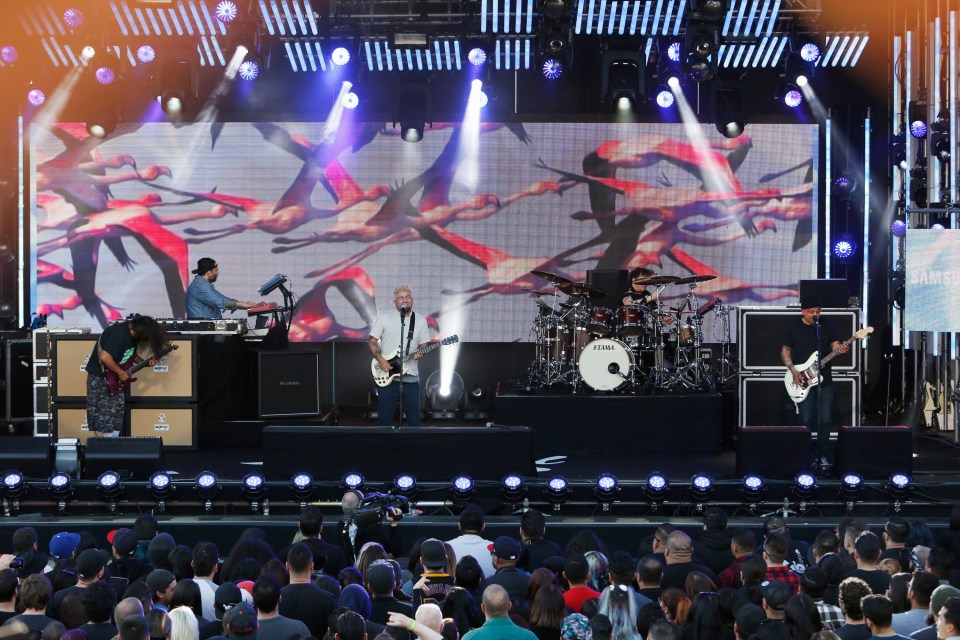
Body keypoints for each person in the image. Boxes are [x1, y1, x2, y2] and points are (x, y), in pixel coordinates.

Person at [781, 295, 849, 469]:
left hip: (824, 380)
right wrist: (793, 371)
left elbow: (836, 347)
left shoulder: (827, 324)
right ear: (803, 311)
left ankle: (823, 455)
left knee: (825, 420)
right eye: (811, 312)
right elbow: (785, 351)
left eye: (818, 311)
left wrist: (841, 350)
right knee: (806, 420)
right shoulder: (793, 326)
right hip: (802, 379)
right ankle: (805, 455)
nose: (815, 315)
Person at [85, 314, 171, 437]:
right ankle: (105, 450)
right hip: (101, 378)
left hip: (114, 379)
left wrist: (144, 362)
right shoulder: (120, 334)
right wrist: (120, 373)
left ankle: (111, 446)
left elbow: (129, 354)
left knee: (116, 416)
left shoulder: (131, 335)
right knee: (106, 418)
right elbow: (105, 357)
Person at [369, 285, 431, 427]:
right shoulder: (384, 318)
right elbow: (371, 342)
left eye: (407, 297)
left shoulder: (420, 320)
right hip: (388, 377)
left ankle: (413, 446)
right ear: (395, 301)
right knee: (384, 416)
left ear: (412, 300)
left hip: (411, 377)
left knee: (414, 417)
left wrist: (421, 351)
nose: (405, 300)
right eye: (401, 298)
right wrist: (380, 359)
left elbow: (424, 345)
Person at [185, 257, 256, 319]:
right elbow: (219, 302)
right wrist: (242, 304)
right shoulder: (199, 286)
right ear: (209, 273)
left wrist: (250, 306)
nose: (218, 273)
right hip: (202, 331)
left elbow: (225, 300)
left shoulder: (204, 285)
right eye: (216, 270)